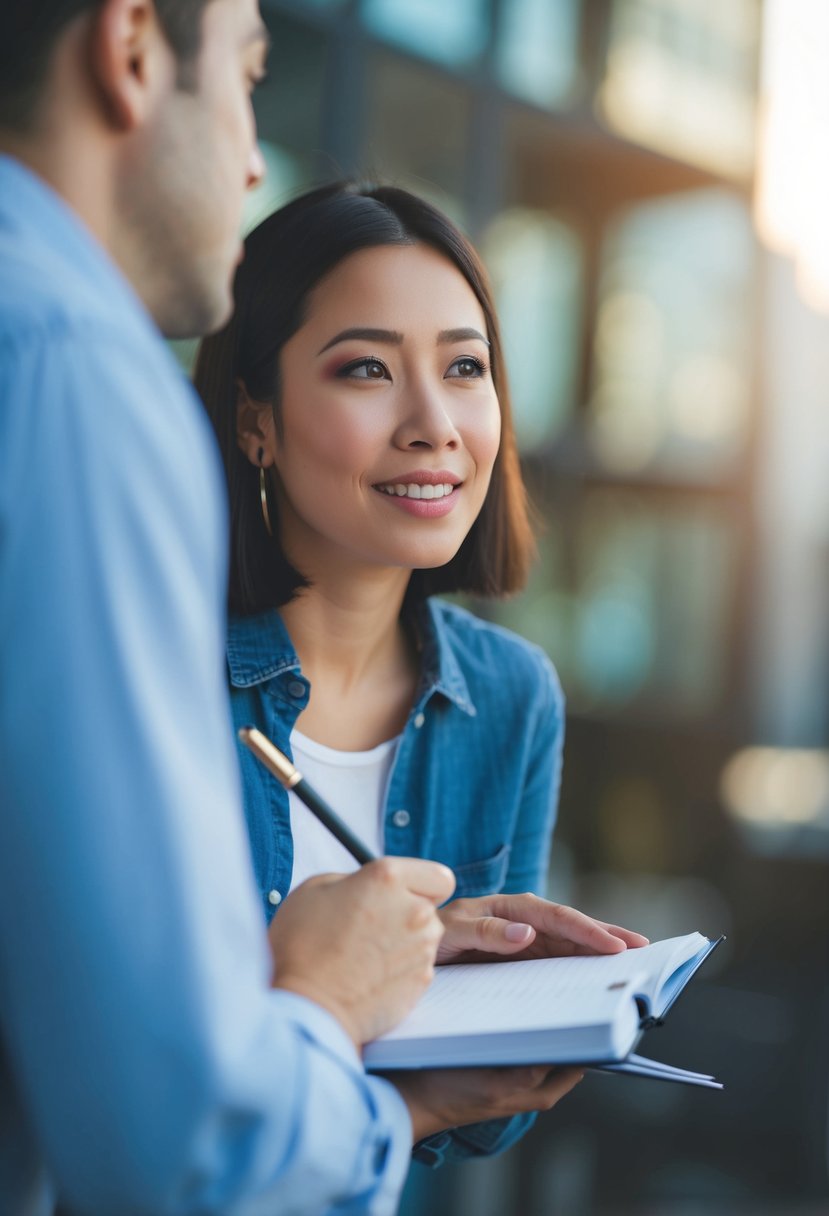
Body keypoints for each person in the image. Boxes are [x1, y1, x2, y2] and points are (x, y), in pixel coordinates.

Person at [0, 4, 472, 1214]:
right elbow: (185, 1146)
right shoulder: (73, 363)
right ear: (135, 46)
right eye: (252, 80)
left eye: (467, 364)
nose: (257, 156)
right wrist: (321, 1002)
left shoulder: (503, 690)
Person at [194, 182, 649, 1168]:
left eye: (465, 367)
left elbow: (490, 1113)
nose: (434, 422)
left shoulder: (511, 694)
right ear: (253, 420)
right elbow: (134, 1058)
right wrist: (349, 981)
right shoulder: (156, 669)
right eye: (365, 368)